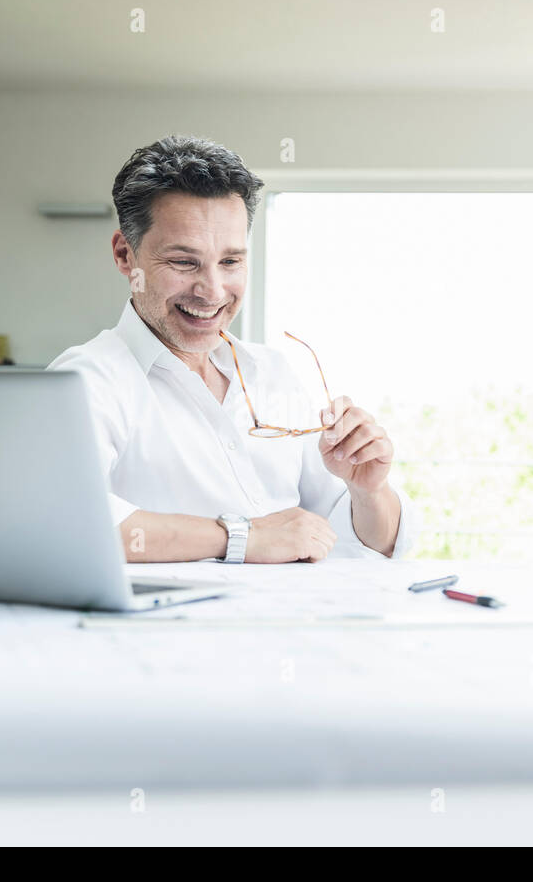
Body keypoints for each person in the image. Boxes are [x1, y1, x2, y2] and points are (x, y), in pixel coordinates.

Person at [48, 135, 417, 564]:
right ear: (125, 256)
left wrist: (367, 489)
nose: (212, 291)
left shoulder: (273, 373)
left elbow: (377, 544)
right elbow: (68, 522)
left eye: (230, 262)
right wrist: (241, 537)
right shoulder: (86, 380)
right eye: (184, 263)